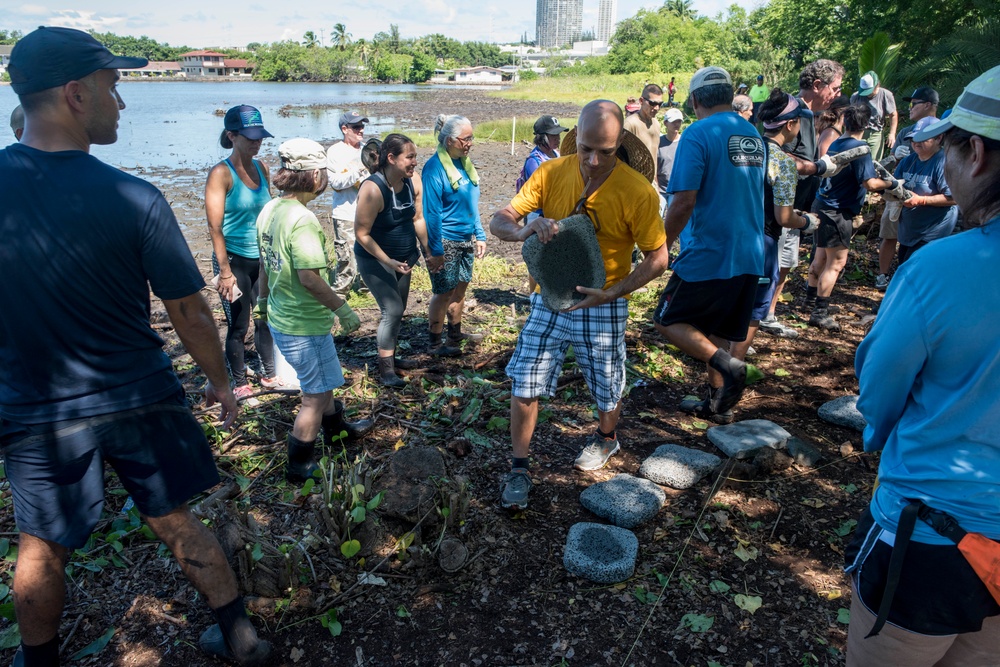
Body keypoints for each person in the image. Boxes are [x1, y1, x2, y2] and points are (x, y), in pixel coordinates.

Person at [0, 26, 271, 666]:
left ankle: (35, 661)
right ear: (74, 94)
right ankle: (242, 638)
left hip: (37, 410)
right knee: (174, 517)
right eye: (113, 87)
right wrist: (220, 383)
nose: (121, 103)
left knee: (39, 545)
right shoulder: (133, 197)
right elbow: (189, 312)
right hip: (139, 396)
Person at [845, 65, 1000, 664]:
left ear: (977, 153)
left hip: (930, 533)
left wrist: (876, 434)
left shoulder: (937, 269)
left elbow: (880, 385)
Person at [489, 100, 668, 510]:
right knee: (525, 379)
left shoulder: (637, 191)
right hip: (549, 296)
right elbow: (501, 219)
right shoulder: (551, 172)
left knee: (607, 384)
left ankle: (606, 436)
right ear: (575, 137)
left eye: (605, 151)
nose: (593, 160)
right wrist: (524, 230)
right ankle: (519, 467)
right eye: (586, 148)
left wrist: (614, 292)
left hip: (603, 302)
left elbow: (658, 259)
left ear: (620, 142)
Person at [256, 138, 372, 483]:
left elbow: (265, 264)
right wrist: (343, 309)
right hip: (303, 324)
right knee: (315, 395)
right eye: (324, 171)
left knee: (324, 379)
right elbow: (309, 278)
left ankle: (339, 434)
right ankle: (299, 466)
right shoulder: (302, 220)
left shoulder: (270, 209)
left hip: (282, 316)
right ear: (315, 175)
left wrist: (261, 303)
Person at [653, 66, 765, 422]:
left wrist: (662, 245)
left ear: (696, 99)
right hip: (750, 250)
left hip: (711, 250)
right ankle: (719, 405)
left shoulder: (697, 134)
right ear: (730, 97)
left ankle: (730, 368)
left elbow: (683, 200)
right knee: (715, 328)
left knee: (666, 319)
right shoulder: (751, 132)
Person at [712, 91, 822, 420]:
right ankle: (730, 387)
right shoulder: (784, 163)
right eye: (800, 123)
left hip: (727, 240)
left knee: (721, 311)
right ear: (790, 124)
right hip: (762, 244)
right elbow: (785, 216)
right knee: (752, 313)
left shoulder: (742, 150)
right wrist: (809, 221)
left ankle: (714, 391)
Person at [763, 59, 845, 336]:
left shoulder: (806, 115)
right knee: (773, 265)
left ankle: (768, 313)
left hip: (795, 207)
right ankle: (759, 315)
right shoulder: (798, 114)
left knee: (784, 265)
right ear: (818, 85)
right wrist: (817, 167)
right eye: (834, 88)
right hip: (782, 207)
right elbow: (776, 152)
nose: (836, 95)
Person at [354, 134, 441, 387]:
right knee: (390, 310)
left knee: (399, 310)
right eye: (410, 157)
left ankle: (392, 357)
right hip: (375, 259)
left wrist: (428, 252)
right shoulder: (372, 188)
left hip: (405, 258)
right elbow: (362, 234)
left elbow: (417, 219)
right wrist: (388, 261)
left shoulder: (413, 180)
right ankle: (385, 370)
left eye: (415, 156)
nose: (415, 162)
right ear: (391, 158)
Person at [205, 105, 280, 400]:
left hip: (260, 260)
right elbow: (214, 228)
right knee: (239, 324)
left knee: (266, 317)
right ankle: (238, 382)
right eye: (249, 136)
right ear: (231, 136)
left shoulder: (262, 168)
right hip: (233, 261)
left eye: (260, 136)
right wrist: (224, 273)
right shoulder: (221, 173)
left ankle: (269, 373)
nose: (256, 142)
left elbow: (269, 212)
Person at [806, 103, 895, 331]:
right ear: (867, 124)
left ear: (845, 121)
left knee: (820, 257)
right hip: (838, 211)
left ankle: (810, 300)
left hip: (822, 203)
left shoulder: (836, 142)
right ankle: (819, 312)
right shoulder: (861, 148)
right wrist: (892, 183)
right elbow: (869, 183)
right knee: (836, 263)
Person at [421, 114, 486, 356]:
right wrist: (435, 251)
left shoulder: (464, 164)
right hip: (444, 240)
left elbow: (471, 203)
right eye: (465, 139)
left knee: (460, 288)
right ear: (449, 140)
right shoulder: (434, 168)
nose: (470, 143)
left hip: (466, 237)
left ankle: (455, 333)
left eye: (472, 138)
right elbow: (431, 214)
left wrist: (479, 234)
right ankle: (434, 343)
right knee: (443, 292)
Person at [875, 86, 940, 291]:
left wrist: (922, 200)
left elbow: (951, 195)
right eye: (913, 141)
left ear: (928, 105)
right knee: (891, 236)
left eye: (914, 103)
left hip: (929, 222)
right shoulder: (905, 133)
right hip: (900, 202)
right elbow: (892, 169)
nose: (910, 108)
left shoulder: (942, 142)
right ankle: (883, 276)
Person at [893, 115, 957, 263]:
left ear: (938, 138)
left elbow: (954, 198)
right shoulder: (908, 161)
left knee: (913, 269)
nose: (916, 142)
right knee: (903, 264)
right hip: (909, 230)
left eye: (923, 138)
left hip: (933, 230)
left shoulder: (943, 162)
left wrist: (921, 200)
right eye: (914, 138)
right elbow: (895, 185)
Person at [325, 111, 370, 298]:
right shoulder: (335, 151)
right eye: (356, 127)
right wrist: (358, 171)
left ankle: (365, 287)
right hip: (345, 213)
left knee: (368, 252)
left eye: (362, 126)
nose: (361, 130)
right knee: (346, 255)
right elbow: (335, 183)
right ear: (344, 129)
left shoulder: (367, 149)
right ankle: (340, 292)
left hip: (368, 212)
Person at [516, 115, 570, 220]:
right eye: (553, 135)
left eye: (558, 135)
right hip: (537, 214)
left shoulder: (556, 154)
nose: (558, 139)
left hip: (555, 210)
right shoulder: (534, 161)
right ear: (542, 137)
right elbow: (542, 190)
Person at [851, 70, 898, 162]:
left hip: (875, 133)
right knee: (855, 160)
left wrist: (892, 134)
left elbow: (893, 115)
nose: (868, 94)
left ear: (877, 85)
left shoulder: (885, 95)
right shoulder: (856, 97)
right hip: (858, 131)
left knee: (874, 162)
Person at [624, 83, 663, 181]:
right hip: (634, 182)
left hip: (651, 183)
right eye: (652, 103)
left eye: (659, 104)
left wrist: (656, 184)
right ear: (641, 101)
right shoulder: (630, 124)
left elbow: (654, 157)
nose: (657, 108)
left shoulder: (656, 124)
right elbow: (621, 158)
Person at [656, 108, 684, 204]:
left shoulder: (684, 142)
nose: (676, 124)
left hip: (677, 190)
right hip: (661, 190)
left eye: (679, 121)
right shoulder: (658, 142)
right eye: (673, 122)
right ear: (665, 123)